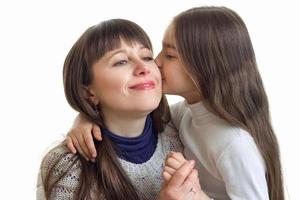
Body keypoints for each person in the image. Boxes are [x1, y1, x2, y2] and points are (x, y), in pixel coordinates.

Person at [66, 6, 284, 200]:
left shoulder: (235, 144)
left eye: (169, 55)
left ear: (205, 68)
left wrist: (198, 197)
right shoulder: (184, 116)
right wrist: (85, 116)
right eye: (121, 61)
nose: (155, 63)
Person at [36, 18, 210, 200]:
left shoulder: (181, 127)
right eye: (121, 61)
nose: (144, 68)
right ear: (88, 91)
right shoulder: (67, 167)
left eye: (147, 57)